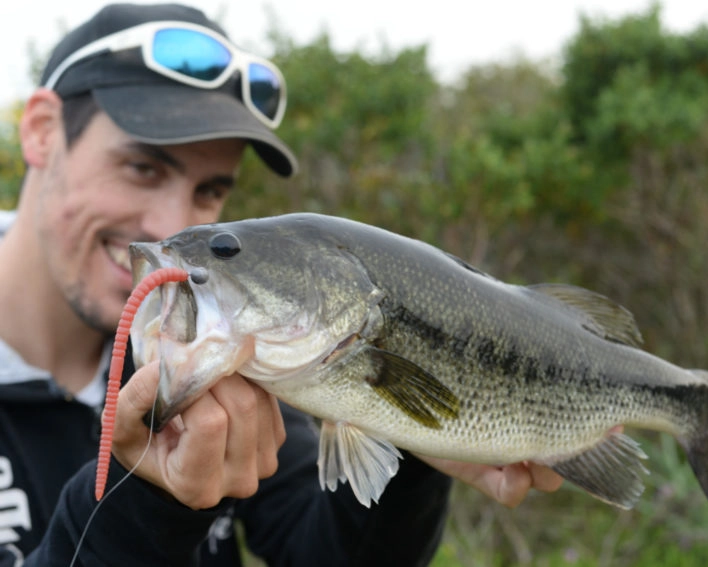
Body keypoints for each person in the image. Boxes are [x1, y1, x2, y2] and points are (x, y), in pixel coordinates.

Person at [0, 3, 563, 565]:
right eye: (143, 169)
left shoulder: (211, 344)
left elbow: (321, 548)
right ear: (42, 132)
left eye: (210, 191)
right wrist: (143, 501)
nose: (171, 224)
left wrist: (406, 431)